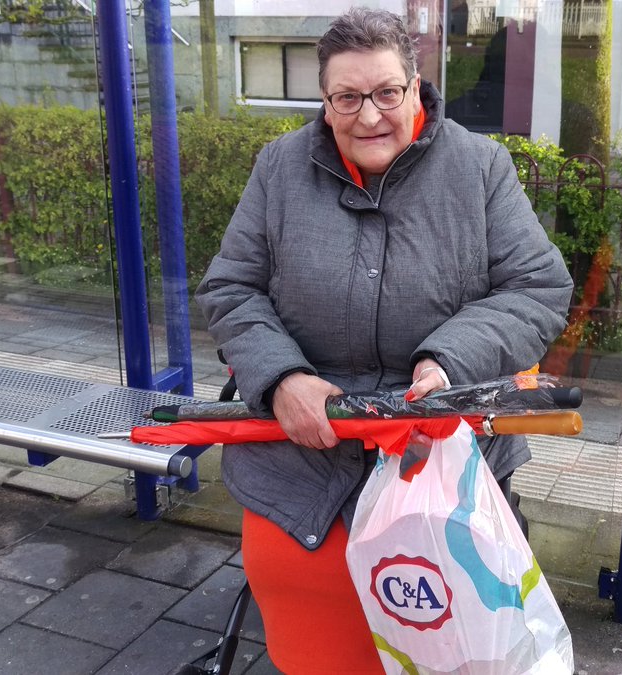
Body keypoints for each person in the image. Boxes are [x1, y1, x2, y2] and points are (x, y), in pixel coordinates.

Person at [195, 7, 573, 673]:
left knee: (452, 652)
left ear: (415, 87)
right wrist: (281, 378)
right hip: (298, 472)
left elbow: (538, 287)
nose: (368, 115)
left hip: (446, 469)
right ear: (325, 100)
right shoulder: (278, 168)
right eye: (347, 97)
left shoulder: (481, 168)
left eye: (386, 93)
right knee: (316, 654)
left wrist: (449, 362)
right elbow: (231, 287)